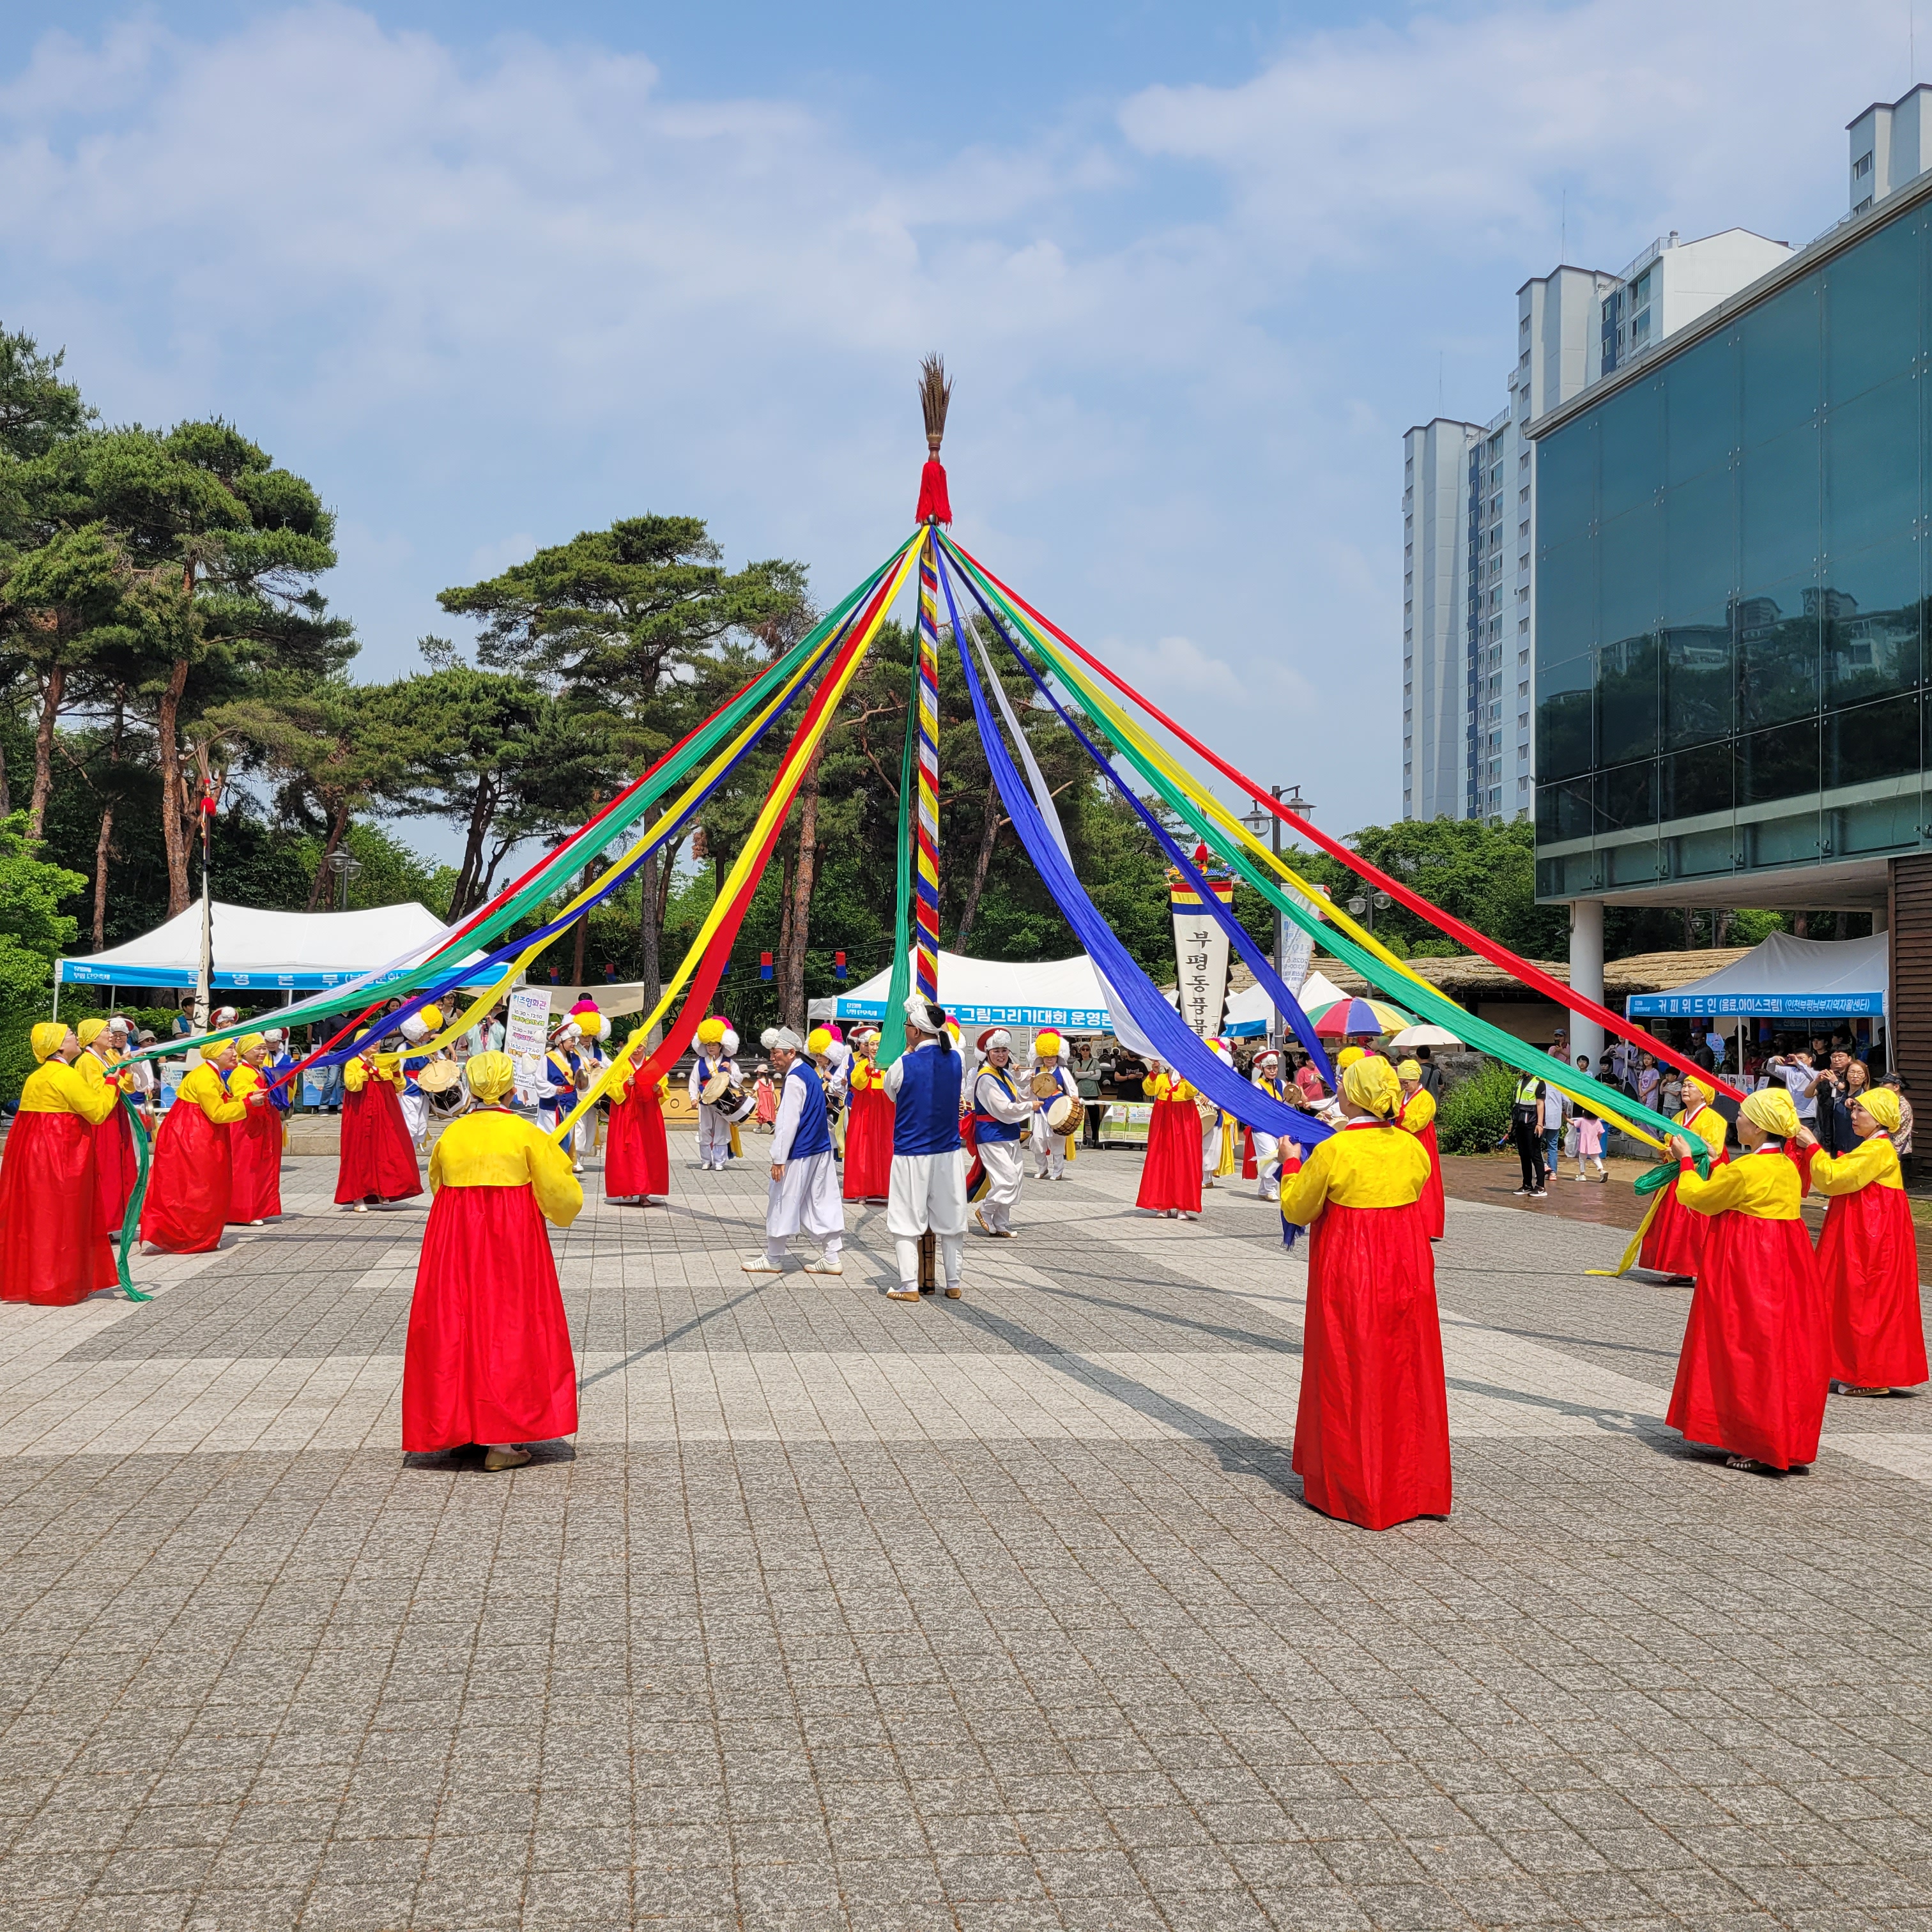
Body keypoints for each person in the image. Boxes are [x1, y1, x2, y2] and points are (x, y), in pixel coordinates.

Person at [1279, 1055, 1448, 1530]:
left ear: (1353, 1096)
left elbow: (1298, 1209)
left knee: (1349, 1367)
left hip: (1351, 1267)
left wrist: (1290, 1160)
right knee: (1406, 1368)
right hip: (1408, 1264)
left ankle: (1355, 1487)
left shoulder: (1335, 1151)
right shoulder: (1410, 1147)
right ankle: (1411, 1485)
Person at [401, 1052, 581, 1470]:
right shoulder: (525, 1133)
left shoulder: (453, 1133)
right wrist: (559, 1210)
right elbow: (561, 1194)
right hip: (511, 1239)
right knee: (508, 1323)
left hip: (454, 1237)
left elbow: (437, 1182)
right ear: (510, 1089)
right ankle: (500, 1440)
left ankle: (462, 1426)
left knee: (456, 1324)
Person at [1664, 1086, 1827, 1473]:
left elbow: (1700, 1198)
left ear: (1758, 1127)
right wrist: (1714, 1161)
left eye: (1743, 1116)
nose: (1737, 1120)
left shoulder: (1748, 1169)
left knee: (1741, 1343)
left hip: (1747, 1263)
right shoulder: (1784, 1166)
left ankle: (1753, 1438)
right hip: (1783, 1263)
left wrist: (1685, 1162)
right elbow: (1734, 1185)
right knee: (1776, 1345)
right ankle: (1775, 1433)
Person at [1798, 1087, 1927, 1399]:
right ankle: (1856, 1367)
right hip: (1867, 1231)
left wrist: (1813, 1146)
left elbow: (1834, 1178)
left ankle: (1868, 1372)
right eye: (1853, 1111)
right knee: (1857, 1298)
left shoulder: (1878, 1149)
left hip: (1870, 1237)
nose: (1853, 1116)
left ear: (1879, 1118)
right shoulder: (1874, 1146)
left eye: (1860, 1111)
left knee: (1864, 1300)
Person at [0, 1022, 119, 1304]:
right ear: (59, 1046)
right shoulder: (65, 1075)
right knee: (66, 1217)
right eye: (69, 1035)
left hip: (34, 1156)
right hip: (62, 1154)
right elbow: (97, 1112)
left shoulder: (37, 1077)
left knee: (40, 1219)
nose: (75, 1037)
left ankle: (38, 1280)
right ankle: (59, 1283)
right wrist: (112, 1083)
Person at [882, 997, 967, 1301]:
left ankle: (909, 1286)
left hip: (911, 1152)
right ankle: (953, 1283)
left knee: (906, 1219)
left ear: (916, 1031)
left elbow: (890, 1092)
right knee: (952, 1218)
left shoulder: (903, 1064)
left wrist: (907, 1052)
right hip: (948, 1151)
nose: (905, 1029)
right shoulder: (956, 1060)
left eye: (907, 1025)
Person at [744, 1028, 845, 1275]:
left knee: (782, 1199)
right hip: (820, 1147)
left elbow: (787, 1121)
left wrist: (779, 1158)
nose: (772, 1058)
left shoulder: (795, 1078)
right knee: (821, 1200)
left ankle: (773, 1258)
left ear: (791, 1052)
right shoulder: (809, 1073)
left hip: (800, 1150)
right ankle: (832, 1257)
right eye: (771, 1053)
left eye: (776, 1053)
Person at [141, 1041, 254, 1255]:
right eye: (229, 1049)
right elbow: (217, 1113)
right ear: (215, 1054)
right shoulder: (205, 1077)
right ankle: (191, 1236)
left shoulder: (211, 1073)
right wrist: (247, 1104)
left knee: (200, 1185)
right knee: (198, 1186)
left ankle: (199, 1233)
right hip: (194, 1135)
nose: (235, 1053)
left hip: (195, 1131)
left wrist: (246, 1099)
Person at [1637, 1074, 1731, 1282]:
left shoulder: (1713, 1119)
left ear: (1704, 1094)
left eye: (1691, 1086)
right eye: (1684, 1086)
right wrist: (1666, 1150)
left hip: (1700, 1175)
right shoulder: (1679, 1117)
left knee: (1695, 1222)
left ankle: (1699, 1268)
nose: (1685, 1090)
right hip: (1677, 1173)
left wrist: (1683, 1153)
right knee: (1675, 1222)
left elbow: (1711, 1151)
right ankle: (1679, 1267)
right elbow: (1669, 1141)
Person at [335, 1043, 423, 1213]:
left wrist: (396, 1070)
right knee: (360, 1152)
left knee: (385, 1149)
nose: (376, 1043)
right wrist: (365, 1068)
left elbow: (399, 1086)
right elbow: (353, 1085)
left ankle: (383, 1190)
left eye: (377, 1041)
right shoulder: (353, 1063)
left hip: (384, 1112)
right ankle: (358, 1196)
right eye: (371, 1041)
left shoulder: (384, 1061)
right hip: (361, 1112)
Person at [75, 1016, 139, 1236]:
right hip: (102, 1118)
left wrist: (124, 1068)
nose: (111, 1035)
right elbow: (98, 1091)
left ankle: (116, 1221)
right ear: (94, 1037)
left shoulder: (107, 1057)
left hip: (114, 1114)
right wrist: (116, 1076)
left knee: (119, 1166)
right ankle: (104, 1223)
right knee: (106, 1169)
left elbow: (127, 1088)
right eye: (106, 1031)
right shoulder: (87, 1061)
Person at [968, 1028, 1032, 1238]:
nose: (1002, 1055)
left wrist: (1033, 1088)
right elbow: (1004, 1108)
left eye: (1004, 1050)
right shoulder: (986, 1078)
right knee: (1007, 1179)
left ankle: (1002, 1223)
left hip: (1009, 1133)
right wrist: (1030, 1106)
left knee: (1016, 1179)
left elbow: (1016, 1098)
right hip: (992, 1135)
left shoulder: (1004, 1074)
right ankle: (986, 1210)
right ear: (987, 1053)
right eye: (996, 1051)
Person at [605, 1031, 671, 1206]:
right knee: (627, 1151)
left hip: (648, 1113)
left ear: (645, 1047)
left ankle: (644, 1193)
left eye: (640, 1046)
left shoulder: (652, 1064)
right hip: (626, 1113)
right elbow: (610, 1087)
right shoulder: (621, 1064)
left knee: (647, 1150)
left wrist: (658, 1089)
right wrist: (625, 1085)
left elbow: (663, 1087)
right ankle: (626, 1189)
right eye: (633, 1046)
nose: (636, 1050)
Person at [226, 1034, 284, 1225]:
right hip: (248, 1125)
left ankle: (261, 1208)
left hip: (265, 1122)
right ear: (244, 1052)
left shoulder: (263, 1070)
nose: (262, 1052)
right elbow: (243, 1096)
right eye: (257, 1049)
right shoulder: (241, 1072)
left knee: (264, 1166)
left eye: (263, 1048)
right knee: (246, 1166)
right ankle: (244, 1212)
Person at [1137, 1059, 1204, 1219]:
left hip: (1184, 1120)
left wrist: (1185, 1076)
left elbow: (1192, 1092)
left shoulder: (1187, 1079)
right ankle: (1162, 1205)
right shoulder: (1161, 1079)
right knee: (1161, 1160)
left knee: (1184, 1160)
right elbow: (1149, 1090)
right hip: (1164, 1120)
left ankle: (1183, 1207)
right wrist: (1154, 1072)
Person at [842, 1027, 893, 1202]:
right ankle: (862, 1190)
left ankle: (885, 1189)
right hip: (865, 1109)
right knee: (863, 1147)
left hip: (886, 1110)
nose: (874, 1048)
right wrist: (867, 1071)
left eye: (878, 1044)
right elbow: (856, 1082)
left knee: (885, 1146)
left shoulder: (890, 1065)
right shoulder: (861, 1064)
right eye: (872, 1044)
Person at [1396, 1057, 1445, 1239]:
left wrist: (1400, 1114)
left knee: (1425, 1181)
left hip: (1421, 1141)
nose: (1404, 1086)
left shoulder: (1426, 1099)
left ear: (1417, 1079)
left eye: (1406, 1082)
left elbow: (1418, 1123)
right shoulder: (1400, 1096)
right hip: (1403, 1141)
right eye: (1401, 1082)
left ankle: (1427, 1226)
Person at [687, 1016, 744, 1172]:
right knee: (704, 1129)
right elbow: (694, 1081)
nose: (711, 1047)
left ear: (721, 1045)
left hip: (723, 1101)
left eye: (714, 1044)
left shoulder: (729, 1062)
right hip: (705, 1099)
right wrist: (693, 1097)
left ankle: (719, 1161)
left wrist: (731, 1071)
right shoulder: (700, 1063)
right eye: (708, 1045)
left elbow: (738, 1081)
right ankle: (706, 1160)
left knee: (721, 1130)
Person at [1029, 1031, 1080, 1182]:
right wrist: (1018, 1072)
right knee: (1037, 1140)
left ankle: (1058, 1171)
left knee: (1057, 1142)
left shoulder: (1063, 1071)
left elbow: (1072, 1088)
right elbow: (1023, 1082)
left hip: (1057, 1112)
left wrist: (1074, 1097)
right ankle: (1042, 1168)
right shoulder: (1036, 1071)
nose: (1050, 1059)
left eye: (1052, 1056)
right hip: (1040, 1111)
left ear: (1058, 1056)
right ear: (1042, 1057)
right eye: (1047, 1056)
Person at [396, 1005, 447, 1152]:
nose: (430, 1034)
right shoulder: (404, 1047)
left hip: (424, 1090)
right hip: (407, 1090)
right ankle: (406, 1153)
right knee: (410, 1124)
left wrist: (436, 1055)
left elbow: (441, 1064)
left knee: (421, 1124)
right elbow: (398, 1070)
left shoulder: (427, 1048)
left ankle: (411, 1152)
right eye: (428, 1032)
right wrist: (398, 1087)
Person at [1245, 1050, 1287, 1202]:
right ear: (1262, 1069)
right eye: (1269, 1068)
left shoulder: (1281, 1084)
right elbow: (1254, 1107)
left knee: (1275, 1156)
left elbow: (1288, 1104)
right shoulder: (1257, 1086)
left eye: (1275, 1067)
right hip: (1262, 1127)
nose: (1273, 1071)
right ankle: (1270, 1189)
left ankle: (1264, 1190)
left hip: (1278, 1127)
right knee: (1271, 1156)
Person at [1510, 1066, 1548, 1199]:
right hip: (1520, 1122)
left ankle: (1541, 1186)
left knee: (1535, 1154)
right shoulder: (1520, 1081)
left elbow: (1540, 1104)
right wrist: (1512, 1123)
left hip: (1532, 1122)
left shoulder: (1539, 1082)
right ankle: (1527, 1185)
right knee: (1524, 1154)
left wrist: (1540, 1124)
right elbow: (1516, 1104)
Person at [1570, 1055, 1609, 1181]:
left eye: (1584, 1062)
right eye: (1580, 1062)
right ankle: (1602, 1171)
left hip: (1583, 1144)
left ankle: (1582, 1175)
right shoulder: (1597, 1122)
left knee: (1582, 1158)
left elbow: (1572, 1122)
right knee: (1595, 1158)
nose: (1582, 1063)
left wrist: (1564, 1116)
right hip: (1594, 1144)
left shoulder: (1582, 1120)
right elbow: (1601, 1133)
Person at [1074, 1045, 1106, 1151]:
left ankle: (1096, 1138)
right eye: (1083, 1049)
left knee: (1095, 1117)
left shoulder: (1095, 1062)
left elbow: (1098, 1076)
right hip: (1081, 1092)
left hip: (1093, 1092)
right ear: (1080, 1051)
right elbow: (1077, 1075)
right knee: (1079, 1116)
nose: (1085, 1051)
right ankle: (1079, 1138)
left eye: (1087, 1049)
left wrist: (1084, 1073)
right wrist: (1092, 1072)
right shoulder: (1077, 1063)